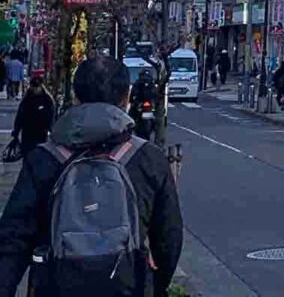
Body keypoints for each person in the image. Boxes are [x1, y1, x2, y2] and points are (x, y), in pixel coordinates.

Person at [0, 55, 183, 295]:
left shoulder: (43, 158)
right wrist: (154, 286)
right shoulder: (149, 158)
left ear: (76, 98)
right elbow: (169, 239)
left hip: (57, 285)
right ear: (126, 98)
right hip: (128, 286)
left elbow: (13, 239)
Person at [10, 76, 55, 158]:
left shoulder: (47, 99)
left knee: (38, 157)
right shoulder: (27, 99)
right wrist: (16, 131)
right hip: (28, 133)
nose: (35, 89)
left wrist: (52, 131)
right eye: (34, 87)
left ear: (41, 86)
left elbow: (51, 117)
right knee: (28, 157)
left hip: (41, 133)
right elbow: (20, 116)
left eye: (37, 87)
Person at [129, 68, 157, 141]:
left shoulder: (137, 82)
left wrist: (132, 100)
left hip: (141, 104)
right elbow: (155, 94)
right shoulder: (152, 83)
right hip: (148, 104)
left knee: (131, 115)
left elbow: (133, 95)